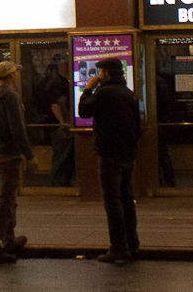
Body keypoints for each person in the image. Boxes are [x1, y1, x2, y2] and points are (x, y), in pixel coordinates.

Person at [78, 57, 141, 264]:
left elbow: (84, 111)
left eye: (100, 71)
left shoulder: (105, 93)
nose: (98, 74)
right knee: (126, 199)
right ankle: (132, 244)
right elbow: (137, 126)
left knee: (112, 200)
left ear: (106, 72)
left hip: (110, 152)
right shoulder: (128, 93)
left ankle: (118, 248)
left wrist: (88, 89)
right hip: (127, 153)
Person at [0, 59, 34, 263]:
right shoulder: (10, 97)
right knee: (5, 200)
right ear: (12, 75)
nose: (18, 76)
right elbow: (17, 129)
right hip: (9, 154)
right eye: (16, 73)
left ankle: (9, 240)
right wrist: (29, 155)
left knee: (9, 198)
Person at [45, 58, 75, 187]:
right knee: (62, 154)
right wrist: (62, 121)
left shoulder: (56, 82)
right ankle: (59, 182)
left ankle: (61, 180)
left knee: (64, 153)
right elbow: (56, 103)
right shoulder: (59, 84)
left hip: (58, 124)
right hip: (61, 126)